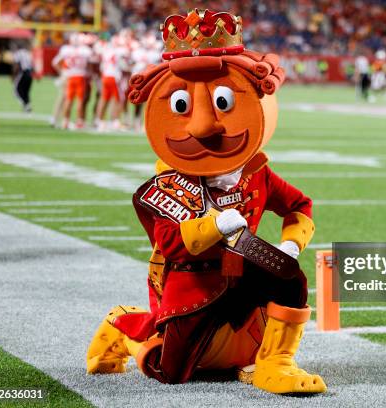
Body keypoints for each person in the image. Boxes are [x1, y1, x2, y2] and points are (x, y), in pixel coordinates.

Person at [86, 8, 326, 395]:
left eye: (222, 103)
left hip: (242, 273)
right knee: (171, 371)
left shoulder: (255, 172)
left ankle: (274, 362)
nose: (201, 125)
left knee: (289, 279)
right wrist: (215, 225)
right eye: (182, 106)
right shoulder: (168, 184)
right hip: (192, 284)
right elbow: (170, 243)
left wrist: (289, 245)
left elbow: (300, 206)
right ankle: (125, 325)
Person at [52, 33, 92, 129]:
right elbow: (90, 63)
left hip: (69, 76)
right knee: (80, 101)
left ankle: (65, 121)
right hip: (80, 76)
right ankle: (79, 121)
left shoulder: (66, 50)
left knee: (68, 100)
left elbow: (55, 62)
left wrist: (63, 72)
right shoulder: (85, 51)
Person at [12, 42, 34, 113]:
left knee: (16, 90)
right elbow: (32, 64)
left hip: (23, 73)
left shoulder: (18, 53)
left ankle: (25, 104)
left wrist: (13, 75)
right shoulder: (28, 53)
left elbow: (17, 65)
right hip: (30, 74)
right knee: (26, 91)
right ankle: (27, 106)